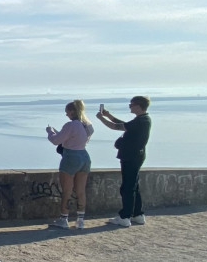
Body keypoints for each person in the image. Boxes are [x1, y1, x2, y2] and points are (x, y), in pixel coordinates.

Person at [97, 96, 152, 227]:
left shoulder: (141, 121)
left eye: (131, 104)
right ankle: (137, 214)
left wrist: (101, 118)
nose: (129, 106)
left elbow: (116, 126)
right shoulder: (143, 120)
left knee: (127, 187)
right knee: (134, 186)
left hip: (130, 157)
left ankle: (125, 216)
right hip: (137, 156)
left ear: (138, 106)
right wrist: (108, 115)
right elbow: (123, 124)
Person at [46, 100, 94, 229]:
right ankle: (80, 221)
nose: (66, 114)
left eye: (67, 111)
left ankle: (64, 219)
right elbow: (74, 137)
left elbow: (56, 141)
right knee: (80, 191)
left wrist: (50, 131)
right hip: (84, 157)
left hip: (71, 157)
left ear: (72, 111)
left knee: (67, 191)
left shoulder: (71, 125)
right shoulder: (87, 125)